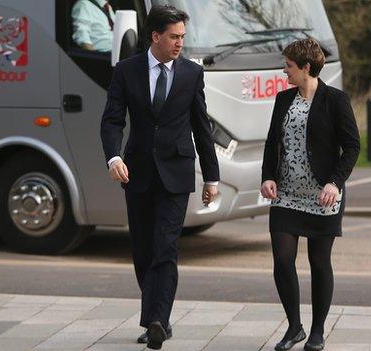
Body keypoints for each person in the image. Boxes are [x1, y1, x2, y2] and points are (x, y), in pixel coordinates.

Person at [100, 5, 219, 350]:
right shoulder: (126, 71)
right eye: (174, 37)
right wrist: (113, 156)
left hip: (177, 173)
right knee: (143, 251)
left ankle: (155, 321)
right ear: (155, 36)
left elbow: (201, 126)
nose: (180, 43)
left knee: (165, 247)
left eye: (183, 36)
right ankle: (158, 317)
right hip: (136, 173)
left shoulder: (191, 74)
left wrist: (211, 177)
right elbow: (112, 120)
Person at [260, 38, 360, 351]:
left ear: (306, 67)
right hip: (287, 194)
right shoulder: (283, 98)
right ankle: (294, 327)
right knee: (282, 260)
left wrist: (335, 182)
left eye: (288, 65)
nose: (284, 70)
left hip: (322, 196)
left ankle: (317, 332)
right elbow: (271, 143)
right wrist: (267, 176)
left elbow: (352, 147)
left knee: (319, 262)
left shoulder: (335, 100)